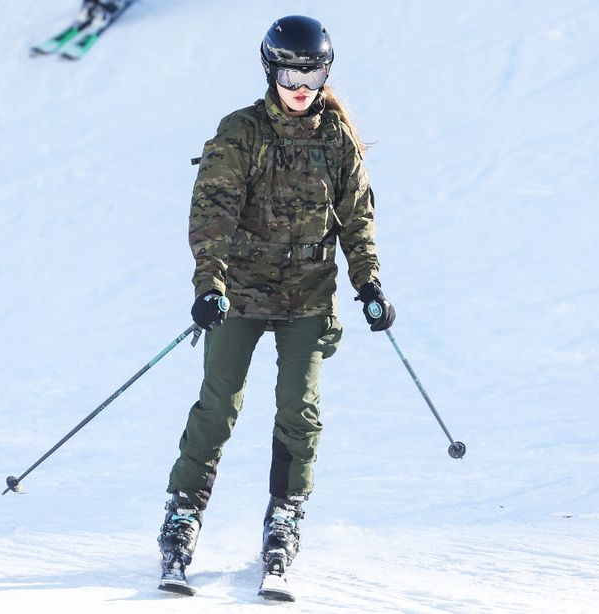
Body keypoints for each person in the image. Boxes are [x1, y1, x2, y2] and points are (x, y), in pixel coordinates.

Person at [157, 15, 397, 588]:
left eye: (312, 72)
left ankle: (285, 517)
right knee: (218, 405)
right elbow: (210, 213)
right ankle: (182, 514)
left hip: (308, 294)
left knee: (299, 409)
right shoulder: (241, 132)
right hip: (239, 292)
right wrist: (208, 285)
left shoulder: (336, 140)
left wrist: (368, 284)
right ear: (271, 68)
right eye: (290, 70)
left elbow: (357, 221)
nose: (300, 85)